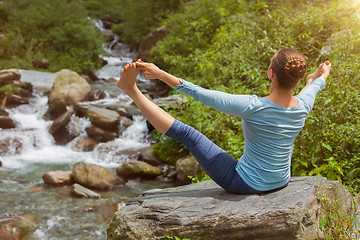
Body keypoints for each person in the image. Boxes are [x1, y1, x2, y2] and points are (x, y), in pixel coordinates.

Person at [117, 48, 332, 194]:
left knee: (188, 134)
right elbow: (316, 85)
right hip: (281, 181)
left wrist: (161, 73)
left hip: (244, 183)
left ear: (271, 73)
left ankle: (131, 90)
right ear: (296, 79)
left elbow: (200, 94)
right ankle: (131, 89)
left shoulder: (253, 106)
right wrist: (318, 76)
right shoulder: (303, 104)